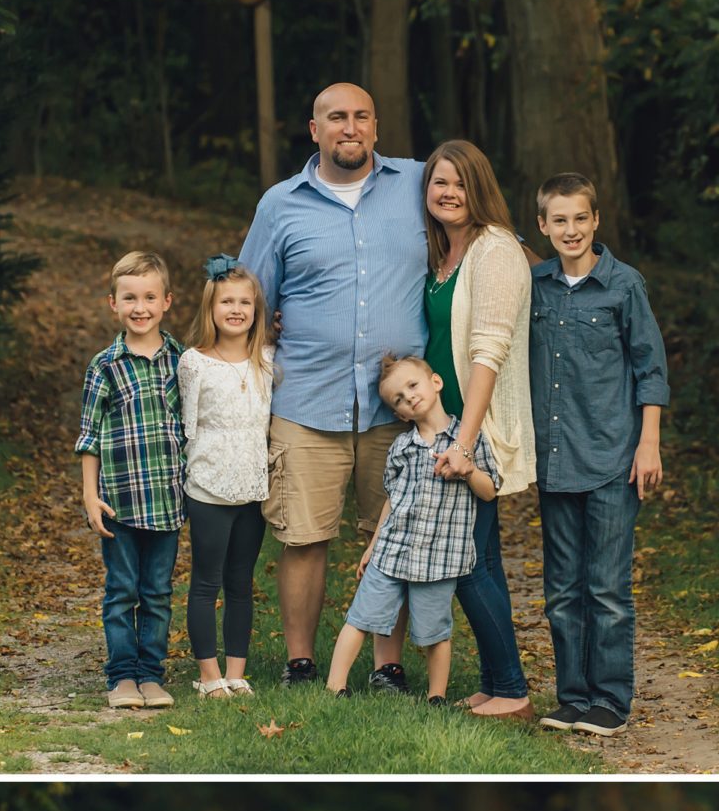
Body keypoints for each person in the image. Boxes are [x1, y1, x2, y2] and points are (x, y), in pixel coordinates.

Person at [237, 83, 429, 690]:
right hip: (306, 401)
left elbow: (475, 233)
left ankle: (387, 666)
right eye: (337, 117)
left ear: (376, 126)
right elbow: (249, 297)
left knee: (393, 537)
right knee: (304, 538)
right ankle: (300, 663)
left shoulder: (417, 183)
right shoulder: (280, 205)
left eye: (361, 116)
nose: (350, 127)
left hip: (397, 409)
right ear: (314, 129)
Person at [530, 173, 669, 737]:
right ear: (543, 226)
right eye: (559, 220)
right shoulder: (534, 288)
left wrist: (649, 443)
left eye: (580, 218)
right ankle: (573, 696)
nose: (571, 230)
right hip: (555, 459)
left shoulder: (623, 285)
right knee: (563, 589)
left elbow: (650, 368)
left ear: (595, 221)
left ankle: (610, 699)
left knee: (606, 588)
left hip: (613, 457)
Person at [419, 139, 536, 721]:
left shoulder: (494, 249)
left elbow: (489, 352)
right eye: (439, 182)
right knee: (480, 559)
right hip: (445, 427)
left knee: (465, 563)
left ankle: (512, 688)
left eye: (460, 183)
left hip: (473, 430)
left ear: (480, 189)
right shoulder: (443, 252)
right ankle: (497, 683)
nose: (449, 193)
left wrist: (465, 442)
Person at [326, 354, 500, 705]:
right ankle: (334, 687)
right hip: (393, 551)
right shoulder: (402, 447)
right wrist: (373, 546)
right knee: (361, 617)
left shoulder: (468, 440)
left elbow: (489, 491)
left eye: (412, 386)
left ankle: (436, 697)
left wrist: (468, 470)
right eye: (399, 399)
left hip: (440, 557)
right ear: (400, 415)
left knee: (436, 632)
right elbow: (391, 501)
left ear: (436, 382)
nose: (409, 397)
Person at [76, 251, 186, 712]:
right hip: (119, 502)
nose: (140, 308)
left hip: (167, 502)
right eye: (130, 299)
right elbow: (89, 437)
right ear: (113, 304)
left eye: (149, 298)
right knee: (122, 591)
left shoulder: (183, 361)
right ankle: (122, 676)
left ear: (167, 302)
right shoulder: (105, 365)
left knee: (157, 593)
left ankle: (151, 675)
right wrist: (90, 495)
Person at [177, 254, 275, 697]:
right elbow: (187, 427)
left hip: (252, 488)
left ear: (256, 310)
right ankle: (209, 676)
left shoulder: (267, 360)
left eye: (244, 303)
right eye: (226, 302)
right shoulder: (195, 363)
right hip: (209, 486)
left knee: (241, 583)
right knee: (206, 582)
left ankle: (236, 672)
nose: (236, 310)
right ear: (211, 308)